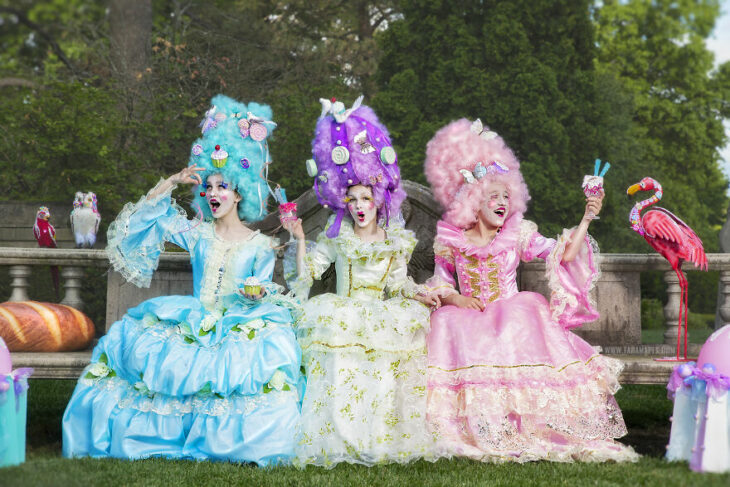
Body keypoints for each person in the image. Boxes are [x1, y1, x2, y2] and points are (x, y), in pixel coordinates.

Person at [62, 95, 302, 466]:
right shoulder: (196, 233)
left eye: (222, 187)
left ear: (238, 194)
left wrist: (254, 294)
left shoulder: (261, 245)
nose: (213, 193)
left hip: (238, 323)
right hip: (192, 317)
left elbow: (265, 290)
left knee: (251, 363)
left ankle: (237, 441)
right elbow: (138, 223)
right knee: (152, 353)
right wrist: (172, 181)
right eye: (209, 187)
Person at [423, 118, 638, 463]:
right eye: (493, 196)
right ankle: (467, 426)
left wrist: (586, 219)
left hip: (511, 319)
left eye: (506, 196)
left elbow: (564, 253)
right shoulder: (453, 242)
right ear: (473, 203)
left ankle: (523, 425)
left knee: (518, 315)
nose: (502, 202)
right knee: (445, 322)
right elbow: (440, 283)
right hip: (467, 318)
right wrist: (458, 298)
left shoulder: (517, 234)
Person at [285, 97, 439, 468]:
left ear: (378, 201)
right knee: (340, 352)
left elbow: (400, 284)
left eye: (365, 198)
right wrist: (301, 239)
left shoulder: (394, 242)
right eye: (351, 199)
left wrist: (421, 294)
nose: (358, 205)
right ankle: (337, 437)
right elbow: (307, 275)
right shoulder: (337, 239)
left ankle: (379, 436)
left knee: (389, 356)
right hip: (342, 310)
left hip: (381, 313)